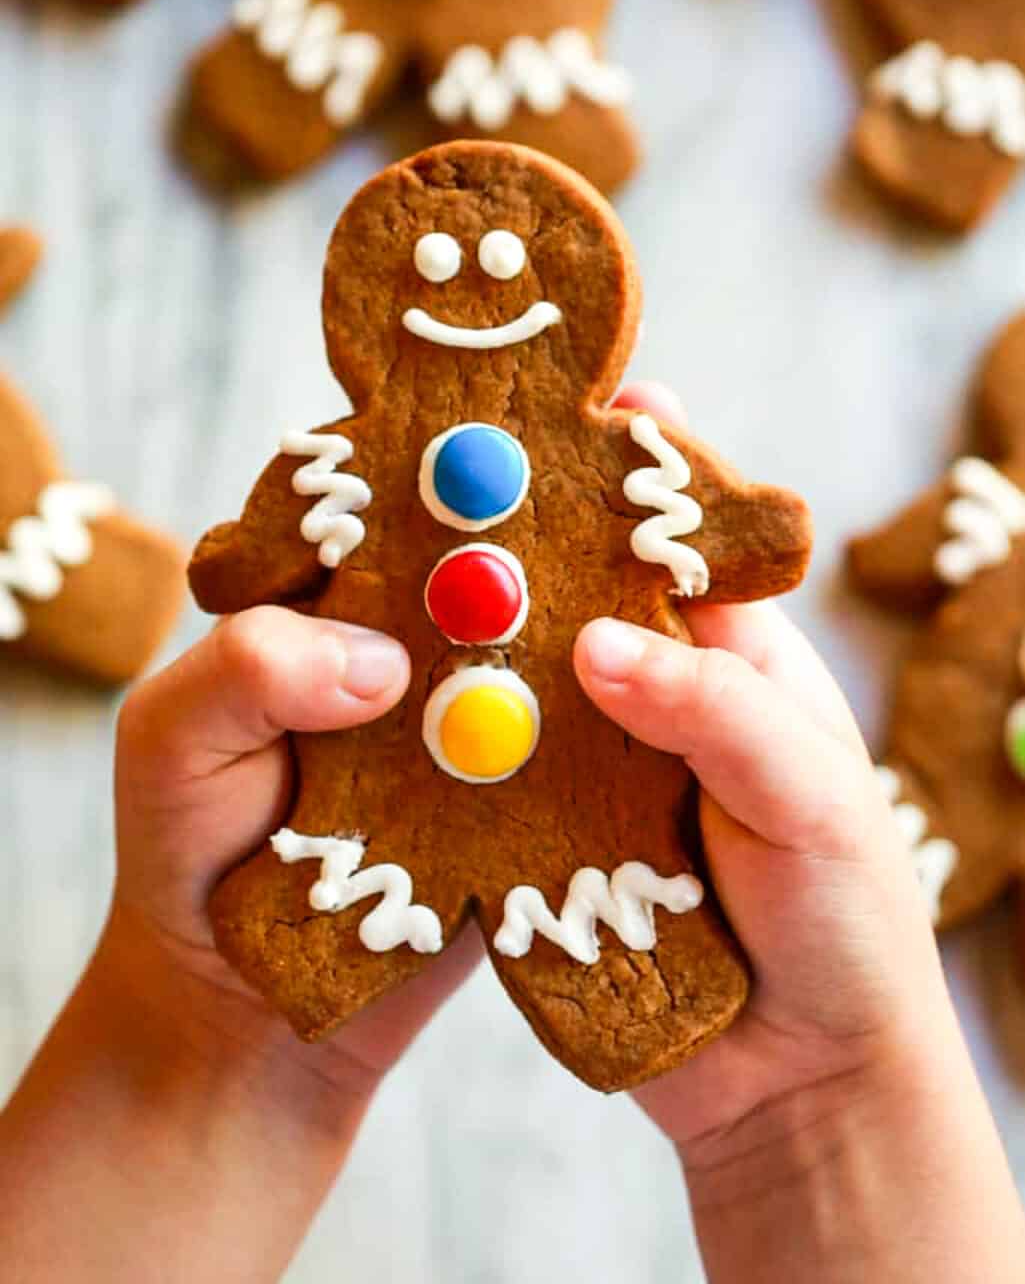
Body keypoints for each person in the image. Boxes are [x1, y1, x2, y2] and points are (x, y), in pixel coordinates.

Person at [1, 385, 1023, 1283]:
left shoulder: (620, 475)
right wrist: (211, 1024)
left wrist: (823, 1088)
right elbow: (240, 558)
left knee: (621, 908)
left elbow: (751, 533)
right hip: (372, 819)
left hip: (603, 839)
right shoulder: (359, 472)